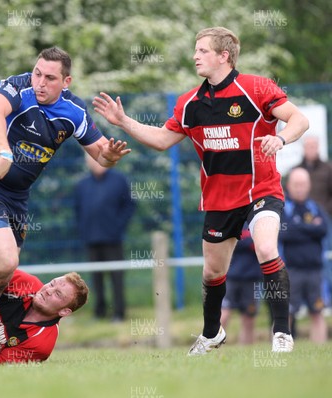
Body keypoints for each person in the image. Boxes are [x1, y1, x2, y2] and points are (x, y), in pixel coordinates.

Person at [92, 26, 309, 354]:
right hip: (220, 200)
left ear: (224, 56)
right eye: (195, 50)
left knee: (266, 248)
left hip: (260, 190)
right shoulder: (190, 103)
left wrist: (280, 138)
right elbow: (163, 140)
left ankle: (281, 332)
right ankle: (212, 333)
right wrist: (124, 122)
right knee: (212, 272)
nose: (195, 55)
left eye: (203, 50)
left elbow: (298, 119)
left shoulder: (256, 87)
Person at [0, 47, 130, 317]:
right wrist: (4, 152)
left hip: (17, 195)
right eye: (37, 73)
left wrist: (111, 157)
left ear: (66, 82)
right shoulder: (18, 88)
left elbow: (102, 155)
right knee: (5, 259)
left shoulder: (74, 111)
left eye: (50, 78)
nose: (40, 83)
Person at [74, 153, 135, 321]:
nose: (95, 163)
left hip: (113, 239)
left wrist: (118, 226)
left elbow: (129, 206)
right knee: (96, 278)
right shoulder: (82, 185)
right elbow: (78, 210)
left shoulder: (119, 180)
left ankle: (119, 313)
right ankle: (99, 312)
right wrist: (83, 230)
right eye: (91, 159)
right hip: (91, 239)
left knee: (117, 277)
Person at [279, 167, 328, 343]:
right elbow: (284, 232)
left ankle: (319, 349)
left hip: (315, 271)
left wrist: (298, 227)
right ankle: (281, 350)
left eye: (303, 184)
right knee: (286, 313)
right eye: (296, 184)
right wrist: (310, 229)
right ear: (289, 186)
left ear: (309, 186)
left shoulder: (314, 207)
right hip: (290, 271)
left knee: (317, 312)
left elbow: (323, 229)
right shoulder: (284, 208)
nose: (300, 188)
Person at [297, 136, 332, 310]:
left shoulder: (328, 169)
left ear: (318, 147)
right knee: (298, 260)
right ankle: (303, 302)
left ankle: (325, 300)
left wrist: (324, 212)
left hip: (322, 224)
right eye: (308, 146)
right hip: (299, 226)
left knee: (325, 260)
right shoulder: (296, 170)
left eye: (314, 146)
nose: (311, 149)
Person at [220, 224, 263, 345]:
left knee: (249, 317)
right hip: (231, 277)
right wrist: (250, 241)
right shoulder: (234, 220)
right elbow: (228, 241)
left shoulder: (258, 221)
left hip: (252, 278)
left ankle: (246, 350)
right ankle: (213, 346)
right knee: (224, 313)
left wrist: (246, 241)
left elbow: (263, 244)